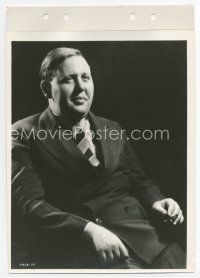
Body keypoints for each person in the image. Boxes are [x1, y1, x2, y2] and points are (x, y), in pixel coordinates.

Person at [12, 47, 185, 269]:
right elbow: (30, 206)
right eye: (69, 80)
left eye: (86, 77)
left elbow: (140, 182)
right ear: (47, 89)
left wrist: (157, 200)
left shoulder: (112, 127)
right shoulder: (22, 133)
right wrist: (89, 231)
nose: (81, 87)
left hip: (148, 238)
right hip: (88, 248)